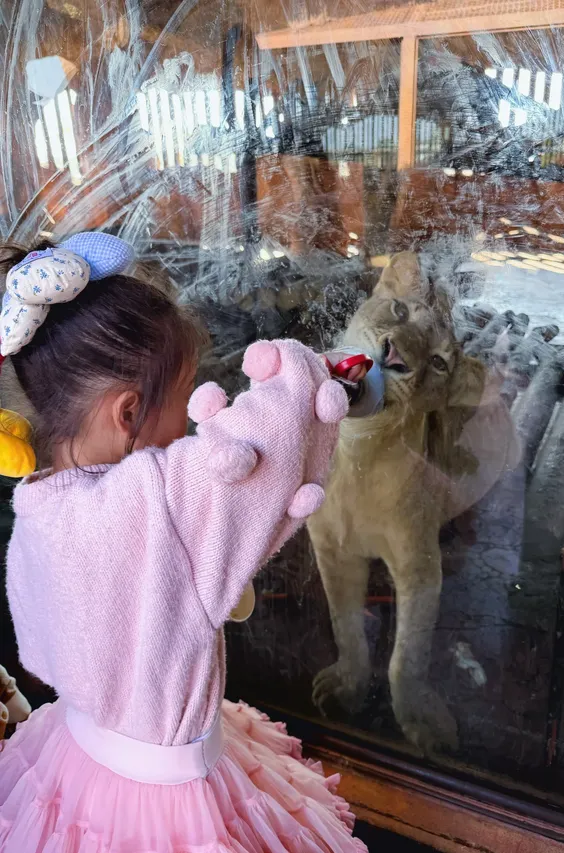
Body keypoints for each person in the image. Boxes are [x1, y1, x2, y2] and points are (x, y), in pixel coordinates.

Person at [0, 232, 367, 852]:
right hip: (169, 802)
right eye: (183, 398)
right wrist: (313, 374)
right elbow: (266, 450)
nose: (193, 427)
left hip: (76, 753)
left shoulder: (37, 498)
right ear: (127, 412)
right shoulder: (157, 503)